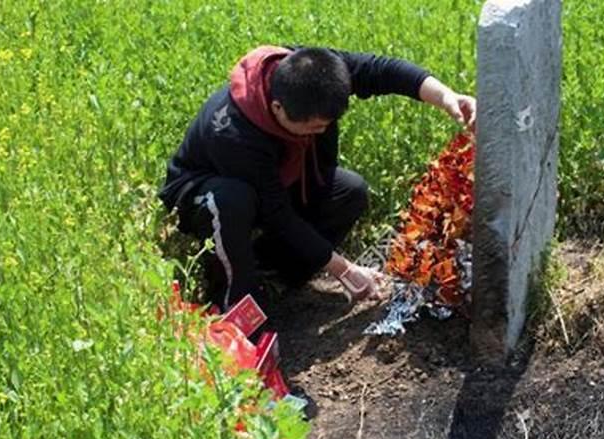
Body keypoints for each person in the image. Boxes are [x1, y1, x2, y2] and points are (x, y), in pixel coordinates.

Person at [158, 45, 475, 315]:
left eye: (326, 125)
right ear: (277, 109)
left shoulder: (314, 72)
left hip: (277, 184)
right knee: (233, 200)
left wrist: (447, 97)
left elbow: (383, 71)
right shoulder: (233, 131)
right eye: (311, 128)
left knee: (349, 191)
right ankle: (234, 301)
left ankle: (274, 273)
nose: (320, 133)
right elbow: (276, 213)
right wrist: (345, 270)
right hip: (205, 194)